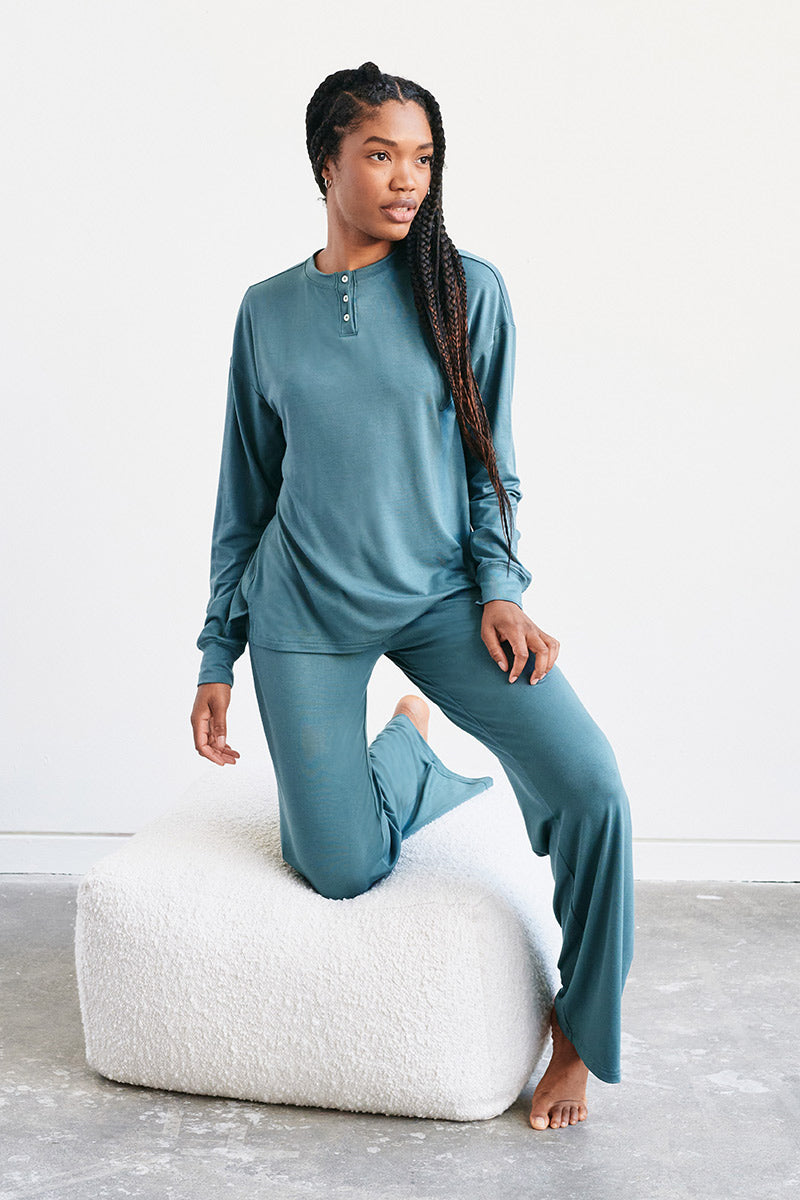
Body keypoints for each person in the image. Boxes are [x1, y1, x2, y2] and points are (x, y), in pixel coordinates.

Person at [190, 62, 634, 1132]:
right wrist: (216, 653)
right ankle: (408, 751)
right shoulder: (266, 311)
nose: (406, 179)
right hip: (302, 614)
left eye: (422, 158)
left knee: (592, 788)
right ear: (325, 164)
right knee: (338, 869)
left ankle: (581, 1029)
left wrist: (500, 588)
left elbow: (492, 466)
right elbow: (244, 494)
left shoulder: (465, 291)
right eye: (380, 154)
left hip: (443, 600)